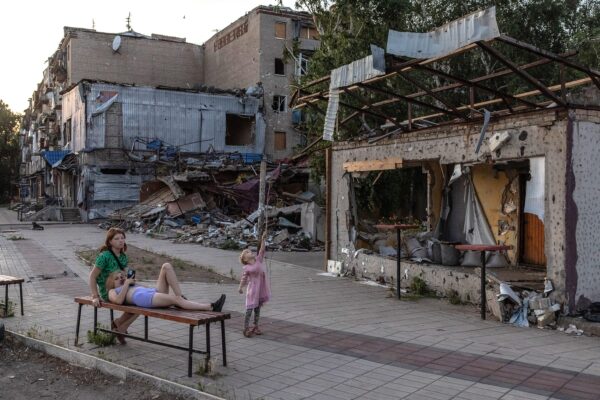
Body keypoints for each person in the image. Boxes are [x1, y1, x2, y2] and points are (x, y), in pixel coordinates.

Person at [88, 228, 138, 344]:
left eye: (122, 238)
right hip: (108, 292)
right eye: (117, 239)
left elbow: (122, 273)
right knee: (139, 300)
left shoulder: (123, 256)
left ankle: (118, 324)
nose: (121, 241)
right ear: (110, 241)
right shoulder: (104, 256)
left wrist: (128, 279)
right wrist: (95, 296)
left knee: (140, 299)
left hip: (120, 288)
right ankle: (120, 327)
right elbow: (92, 277)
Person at [106, 264, 226, 311]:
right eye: (117, 278)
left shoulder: (129, 284)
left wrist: (133, 282)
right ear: (111, 283)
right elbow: (118, 301)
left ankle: (180, 297)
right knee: (176, 300)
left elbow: (146, 288)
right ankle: (211, 307)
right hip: (146, 298)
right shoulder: (112, 291)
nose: (121, 279)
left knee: (166, 266)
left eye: (121, 276)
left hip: (153, 293)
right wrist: (126, 284)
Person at [238, 231, 271, 337]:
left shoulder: (258, 260)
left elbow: (262, 250)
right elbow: (244, 278)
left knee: (257, 309)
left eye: (249, 251)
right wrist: (240, 287)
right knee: (249, 309)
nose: (250, 252)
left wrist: (263, 239)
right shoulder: (247, 268)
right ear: (245, 259)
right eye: (247, 252)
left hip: (260, 288)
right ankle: (246, 328)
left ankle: (255, 326)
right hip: (252, 290)